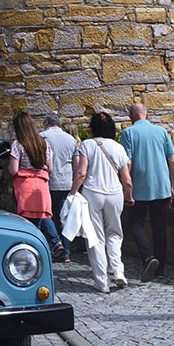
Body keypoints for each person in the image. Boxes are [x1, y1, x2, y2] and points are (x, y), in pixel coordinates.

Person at [69, 111, 133, 293]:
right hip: (115, 194)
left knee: (95, 237)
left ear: (93, 128)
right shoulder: (119, 148)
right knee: (114, 233)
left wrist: (73, 193)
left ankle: (101, 281)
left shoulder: (88, 145)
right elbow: (126, 179)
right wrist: (129, 196)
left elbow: (81, 173)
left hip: (93, 193)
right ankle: (118, 270)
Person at [121, 101, 174, 281]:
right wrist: (171, 185)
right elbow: (173, 161)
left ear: (131, 116)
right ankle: (160, 269)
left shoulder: (128, 132)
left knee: (135, 223)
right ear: (147, 114)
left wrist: (126, 186)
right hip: (161, 187)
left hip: (139, 186)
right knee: (159, 227)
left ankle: (147, 257)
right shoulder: (161, 131)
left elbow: (127, 162)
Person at [9, 112, 67, 261]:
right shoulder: (44, 143)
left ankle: (32, 248)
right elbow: (50, 168)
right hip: (41, 185)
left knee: (27, 219)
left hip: (24, 185)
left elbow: (13, 170)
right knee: (44, 214)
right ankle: (55, 242)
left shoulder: (18, 144)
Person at [41, 115, 78, 259]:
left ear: (46, 123)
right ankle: (66, 253)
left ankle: (54, 246)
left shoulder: (42, 137)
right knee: (62, 219)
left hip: (48, 182)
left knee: (45, 215)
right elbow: (76, 165)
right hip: (66, 183)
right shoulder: (71, 139)